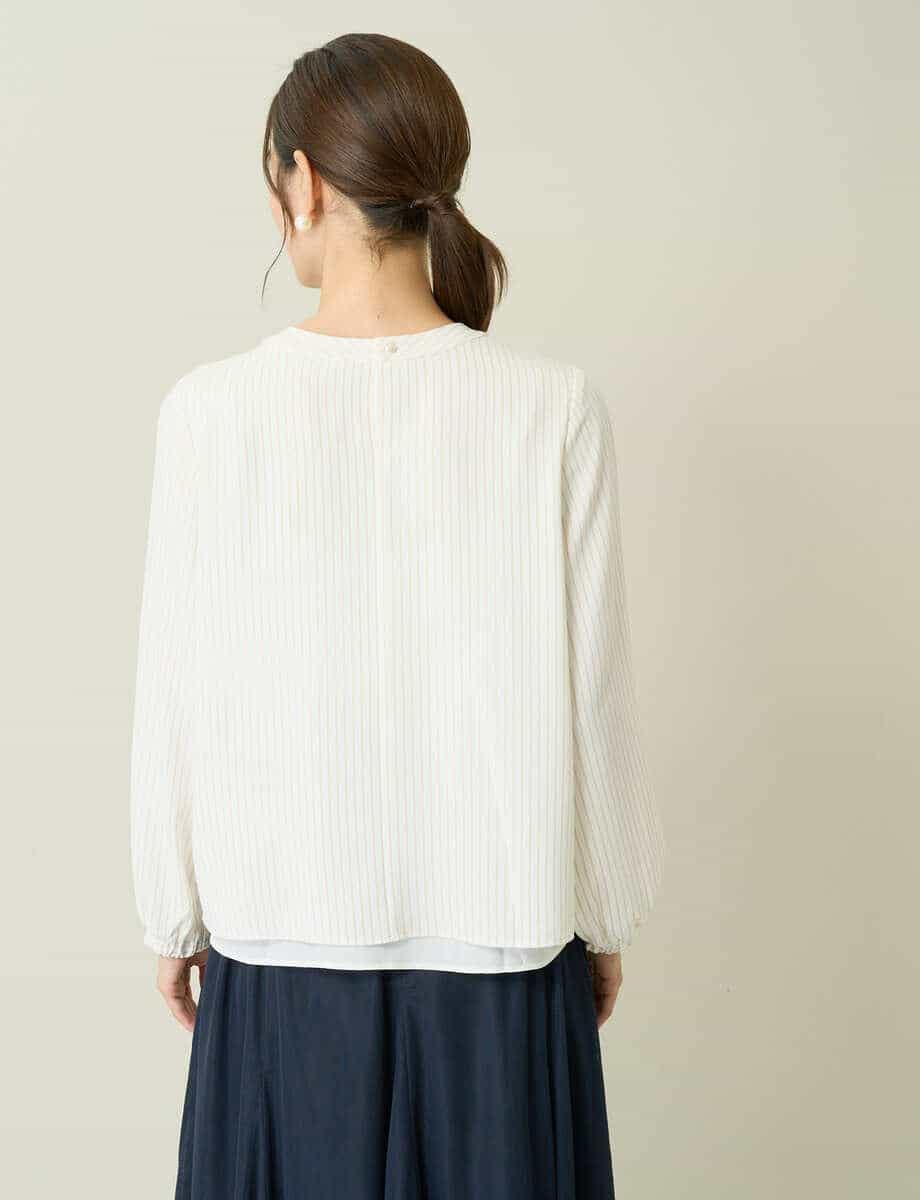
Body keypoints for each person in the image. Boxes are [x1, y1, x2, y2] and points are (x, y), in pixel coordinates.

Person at [130, 31, 666, 1200]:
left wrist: (171, 914)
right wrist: (604, 910)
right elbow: (594, 695)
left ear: (304, 181)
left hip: (279, 954)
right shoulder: (550, 409)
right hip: (505, 952)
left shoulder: (210, 413)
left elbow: (177, 690)